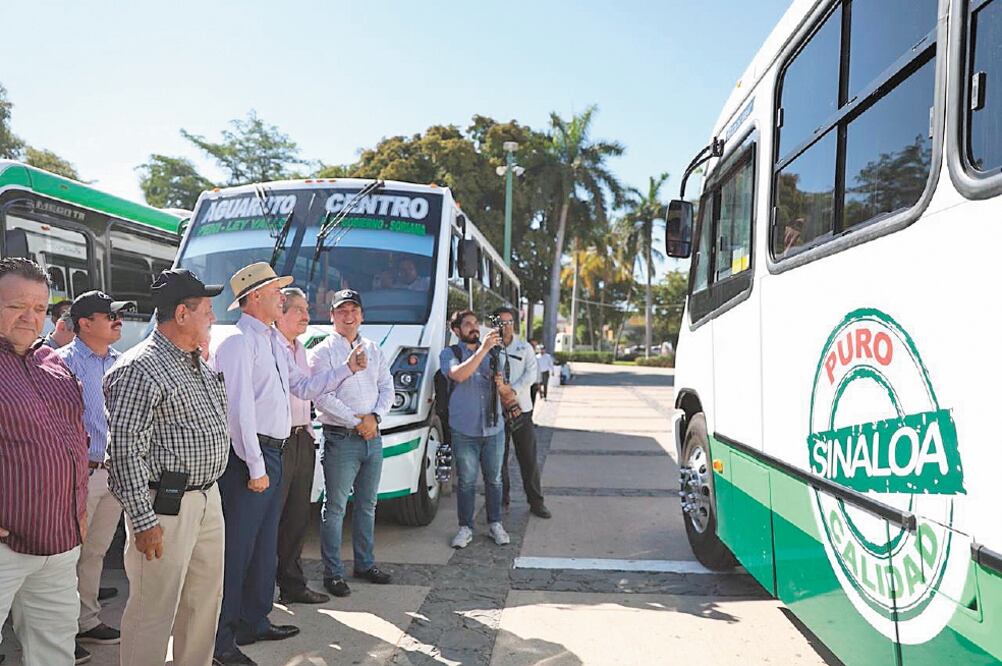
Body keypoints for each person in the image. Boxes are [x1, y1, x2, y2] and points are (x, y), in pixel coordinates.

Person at [211, 263, 363, 666]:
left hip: (273, 453)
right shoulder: (239, 342)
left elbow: (301, 387)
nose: (284, 297)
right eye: (277, 291)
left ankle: (255, 620)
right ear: (256, 297)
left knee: (264, 546)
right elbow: (238, 410)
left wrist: (346, 370)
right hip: (250, 458)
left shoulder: (273, 342)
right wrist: (256, 466)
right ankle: (222, 641)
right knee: (237, 551)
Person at [104, 268, 228, 666]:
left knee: (202, 606)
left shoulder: (197, 361)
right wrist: (143, 521)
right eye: (207, 310)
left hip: (207, 497)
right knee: (152, 613)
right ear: (181, 314)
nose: (213, 317)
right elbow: (124, 452)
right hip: (163, 507)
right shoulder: (138, 368)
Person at [0, 258, 89, 666]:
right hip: (5, 546)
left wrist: (79, 509)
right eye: (16, 305)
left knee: (55, 650)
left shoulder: (53, 364)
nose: (30, 317)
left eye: (39, 308)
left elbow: (76, 438)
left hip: (59, 541)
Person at [58, 291, 136, 662]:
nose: (117, 321)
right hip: (77, 476)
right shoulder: (59, 364)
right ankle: (57, 632)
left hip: (112, 475)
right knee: (63, 557)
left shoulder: (123, 363)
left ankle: (85, 621)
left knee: (94, 553)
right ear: (84, 324)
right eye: (110, 316)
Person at [308, 289, 394, 597]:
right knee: (335, 508)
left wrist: (374, 417)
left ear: (362, 315)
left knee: (368, 505)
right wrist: (357, 421)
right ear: (331, 316)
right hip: (340, 438)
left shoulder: (373, 348)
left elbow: (387, 387)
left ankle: (365, 564)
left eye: (354, 310)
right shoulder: (320, 352)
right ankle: (333, 573)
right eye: (342, 310)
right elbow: (322, 397)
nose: (349, 316)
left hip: (373, 438)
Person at [274, 288, 330, 605]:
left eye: (307, 309)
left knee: (297, 518)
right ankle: (259, 594)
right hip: (278, 442)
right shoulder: (271, 348)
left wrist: (308, 430)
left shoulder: (301, 350)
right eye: (300, 309)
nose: (307, 316)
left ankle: (293, 586)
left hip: (301, 438)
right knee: (271, 520)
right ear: (280, 311)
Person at [440, 310, 510, 549]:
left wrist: (504, 387)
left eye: (475, 323)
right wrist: (482, 351)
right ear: (456, 330)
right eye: (467, 324)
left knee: (495, 480)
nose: (474, 328)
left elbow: (505, 388)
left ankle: (495, 524)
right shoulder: (450, 353)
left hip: (494, 429)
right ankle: (465, 528)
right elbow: (458, 374)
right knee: (467, 482)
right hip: (464, 429)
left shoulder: (495, 352)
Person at [493, 308, 550, 519]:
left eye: (509, 322)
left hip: (521, 412)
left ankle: (536, 502)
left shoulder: (524, 347)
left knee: (528, 459)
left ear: (514, 324)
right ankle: (501, 502)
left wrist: (512, 390)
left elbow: (531, 374)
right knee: (498, 460)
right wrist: (501, 392)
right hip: (497, 411)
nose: (506, 326)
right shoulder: (490, 348)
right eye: (501, 322)